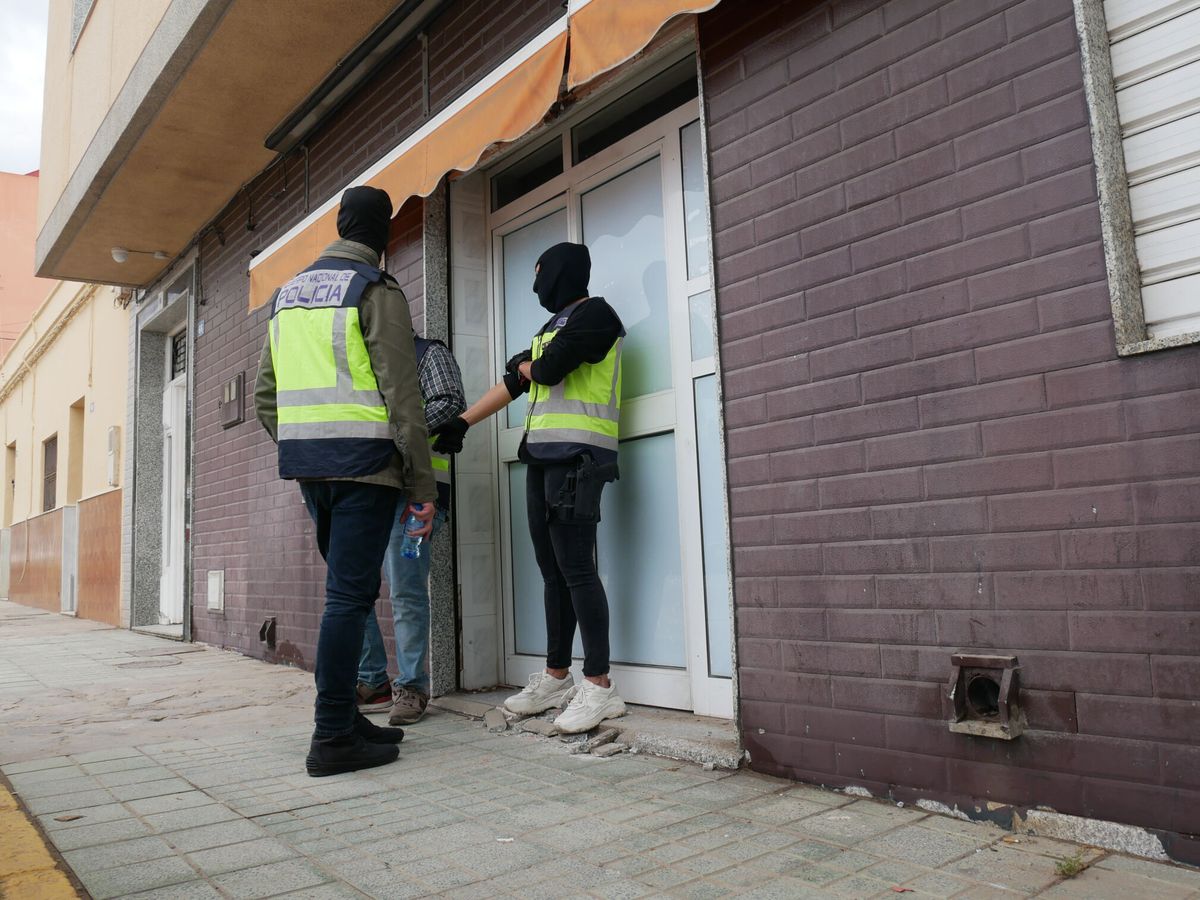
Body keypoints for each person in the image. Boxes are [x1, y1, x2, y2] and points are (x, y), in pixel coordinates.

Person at [254, 185, 436, 776]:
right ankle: (332, 735)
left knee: (347, 595)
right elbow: (402, 394)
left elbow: (265, 395)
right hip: (366, 468)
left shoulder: (287, 295)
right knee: (348, 600)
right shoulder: (375, 290)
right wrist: (422, 486)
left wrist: (306, 445)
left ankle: (349, 721)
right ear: (381, 236)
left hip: (312, 470)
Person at [432, 241, 626, 734]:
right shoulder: (551, 327)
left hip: (579, 460)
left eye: (539, 275)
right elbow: (516, 381)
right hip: (542, 459)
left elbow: (544, 370)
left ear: (560, 273)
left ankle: (600, 686)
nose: (536, 286)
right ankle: (557, 677)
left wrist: (527, 365)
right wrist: (462, 421)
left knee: (578, 570)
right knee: (552, 573)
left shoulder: (597, 316)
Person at [356, 333, 465, 725]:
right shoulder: (359, 359)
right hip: (369, 491)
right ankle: (372, 681)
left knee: (406, 590)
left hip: (417, 495)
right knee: (356, 589)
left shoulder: (426, 353)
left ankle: (412, 686)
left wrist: (395, 431)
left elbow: (450, 402)